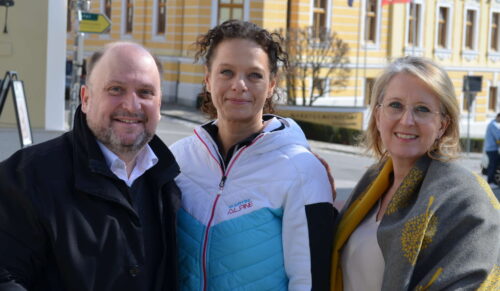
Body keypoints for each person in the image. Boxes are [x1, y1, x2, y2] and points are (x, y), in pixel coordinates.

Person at [170, 20, 337, 290]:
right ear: (207, 79)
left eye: (254, 75)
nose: (239, 85)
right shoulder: (177, 160)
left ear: (272, 84)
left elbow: (309, 281)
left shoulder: (303, 170)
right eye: (226, 72)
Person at [0, 42, 181, 290]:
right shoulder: (24, 177)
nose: (131, 105)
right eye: (115, 89)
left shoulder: (170, 182)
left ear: (159, 105)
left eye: (145, 92)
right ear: (86, 99)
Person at [330, 56, 500, 290]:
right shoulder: (371, 183)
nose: (407, 120)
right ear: (378, 116)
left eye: (422, 109)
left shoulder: (466, 198)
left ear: (442, 125)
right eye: (395, 105)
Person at [484, 113, 500, 185]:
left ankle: (491, 181)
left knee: (493, 165)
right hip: (492, 149)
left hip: (491, 148)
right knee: (493, 165)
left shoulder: (492, 124)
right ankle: (490, 181)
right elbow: (498, 137)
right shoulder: (493, 125)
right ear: (498, 117)